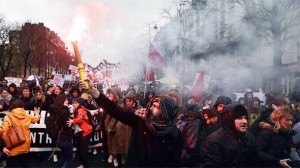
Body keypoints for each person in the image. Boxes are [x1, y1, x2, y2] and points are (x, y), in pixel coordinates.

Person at [81, 81, 183, 167]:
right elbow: (115, 111)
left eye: (156, 106)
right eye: (153, 105)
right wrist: (94, 92)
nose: (151, 108)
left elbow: (175, 162)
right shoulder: (140, 120)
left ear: (166, 113)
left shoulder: (176, 135)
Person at [0, 100, 40, 167]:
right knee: (23, 163)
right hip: (25, 144)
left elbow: (4, 131)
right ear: (22, 107)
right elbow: (35, 119)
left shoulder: (8, 117)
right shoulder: (27, 116)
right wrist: (37, 113)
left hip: (13, 146)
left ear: (12, 107)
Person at [67, 98, 93, 168]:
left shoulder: (80, 110)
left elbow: (80, 119)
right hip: (80, 133)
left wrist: (73, 121)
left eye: (76, 103)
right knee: (79, 151)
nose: (74, 104)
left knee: (82, 152)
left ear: (79, 103)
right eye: (73, 103)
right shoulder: (76, 110)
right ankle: (83, 164)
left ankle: (87, 166)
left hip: (85, 133)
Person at [53, 95, 74, 168]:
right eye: (66, 100)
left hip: (59, 139)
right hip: (65, 138)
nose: (68, 101)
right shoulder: (65, 111)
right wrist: (71, 121)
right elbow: (67, 125)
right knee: (70, 158)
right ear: (61, 101)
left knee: (65, 156)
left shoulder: (57, 111)